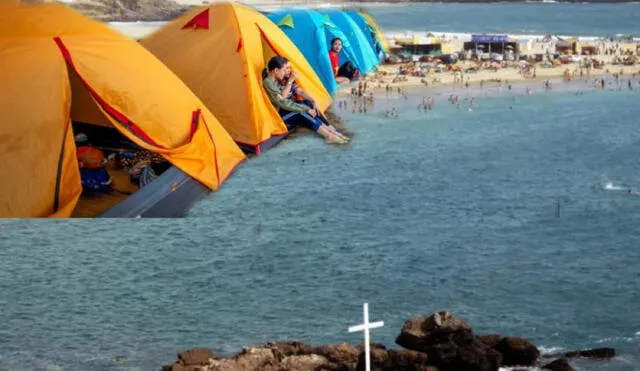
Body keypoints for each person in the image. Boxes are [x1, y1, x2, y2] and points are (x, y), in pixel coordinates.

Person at [263, 56, 349, 144]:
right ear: (276, 70)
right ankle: (328, 135)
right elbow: (282, 102)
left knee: (307, 104)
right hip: (278, 115)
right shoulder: (269, 82)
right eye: (285, 69)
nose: (286, 71)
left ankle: (329, 130)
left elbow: (297, 93)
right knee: (301, 112)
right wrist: (306, 109)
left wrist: (311, 101)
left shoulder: (275, 79)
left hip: (285, 108)